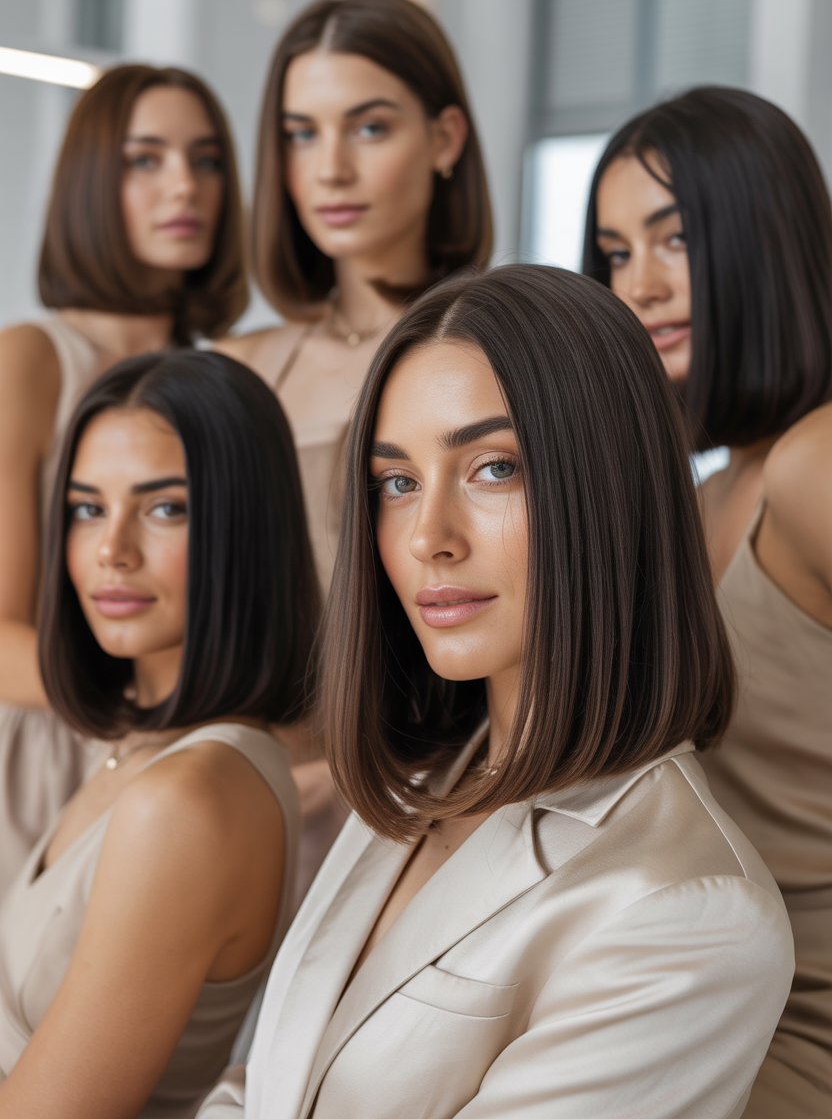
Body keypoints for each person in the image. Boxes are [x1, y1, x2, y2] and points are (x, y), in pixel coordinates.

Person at [199, 264, 793, 1119]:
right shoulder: (414, 786)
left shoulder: (689, 913)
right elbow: (265, 1086)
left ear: (611, 490)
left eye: (494, 469)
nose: (427, 538)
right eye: (397, 482)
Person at [583, 85, 832, 1117]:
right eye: (611, 253)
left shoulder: (814, 467)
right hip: (690, 985)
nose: (638, 284)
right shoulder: (692, 501)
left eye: (674, 237)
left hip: (799, 1021)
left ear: (763, 238)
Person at [0, 350, 319, 1118]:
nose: (112, 550)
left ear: (246, 530)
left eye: (165, 507)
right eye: (86, 508)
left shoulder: (189, 796)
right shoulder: (138, 749)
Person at [0, 63, 247, 890]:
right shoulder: (31, 361)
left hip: (193, 748)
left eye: (207, 159)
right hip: (49, 752)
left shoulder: (229, 380)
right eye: (147, 159)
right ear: (91, 181)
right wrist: (149, 711)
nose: (185, 185)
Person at [217, 0, 492, 592]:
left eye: (369, 128)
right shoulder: (240, 367)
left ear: (444, 139)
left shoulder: (499, 356)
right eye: (302, 134)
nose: (331, 169)